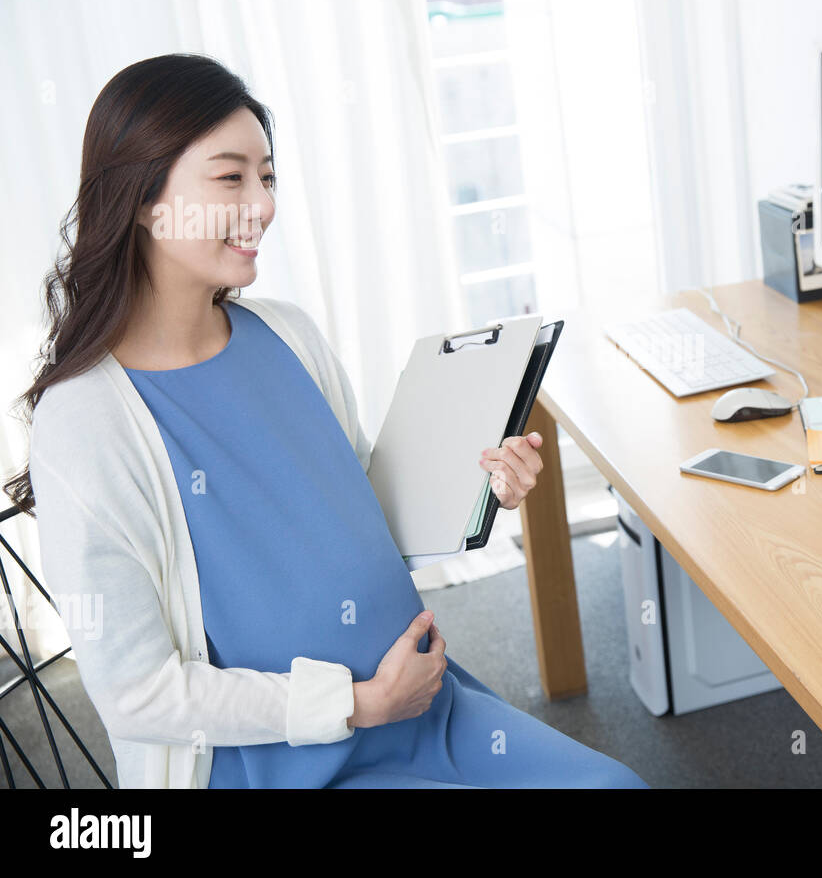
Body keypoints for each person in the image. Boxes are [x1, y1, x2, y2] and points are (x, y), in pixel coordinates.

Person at [5, 53, 646, 789]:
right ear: (145, 198)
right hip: (286, 762)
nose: (264, 203)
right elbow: (136, 693)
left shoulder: (288, 333)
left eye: (268, 176)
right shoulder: (86, 419)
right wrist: (356, 704)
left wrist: (483, 488)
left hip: (422, 702)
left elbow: (368, 518)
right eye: (230, 176)